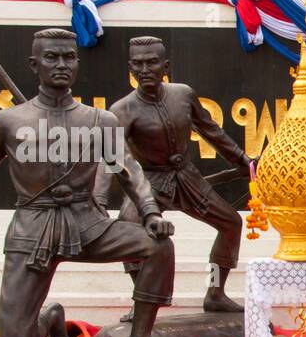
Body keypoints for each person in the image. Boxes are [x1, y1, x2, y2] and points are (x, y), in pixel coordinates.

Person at [0, 28, 181, 337]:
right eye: (51, 57)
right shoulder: (8, 121)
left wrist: (151, 214)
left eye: (68, 57)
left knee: (158, 248)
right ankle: (50, 318)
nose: (61, 64)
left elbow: (127, 171)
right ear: (35, 65)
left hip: (87, 223)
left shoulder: (98, 121)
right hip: (33, 229)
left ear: (77, 63)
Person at [104, 36, 254, 322]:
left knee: (231, 223)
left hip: (187, 176)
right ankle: (142, 300)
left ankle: (215, 292)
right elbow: (116, 160)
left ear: (165, 66)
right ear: (130, 68)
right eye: (138, 63)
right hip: (147, 182)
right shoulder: (121, 110)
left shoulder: (183, 94)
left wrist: (244, 162)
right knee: (129, 230)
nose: (145, 69)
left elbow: (213, 132)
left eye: (152, 62)